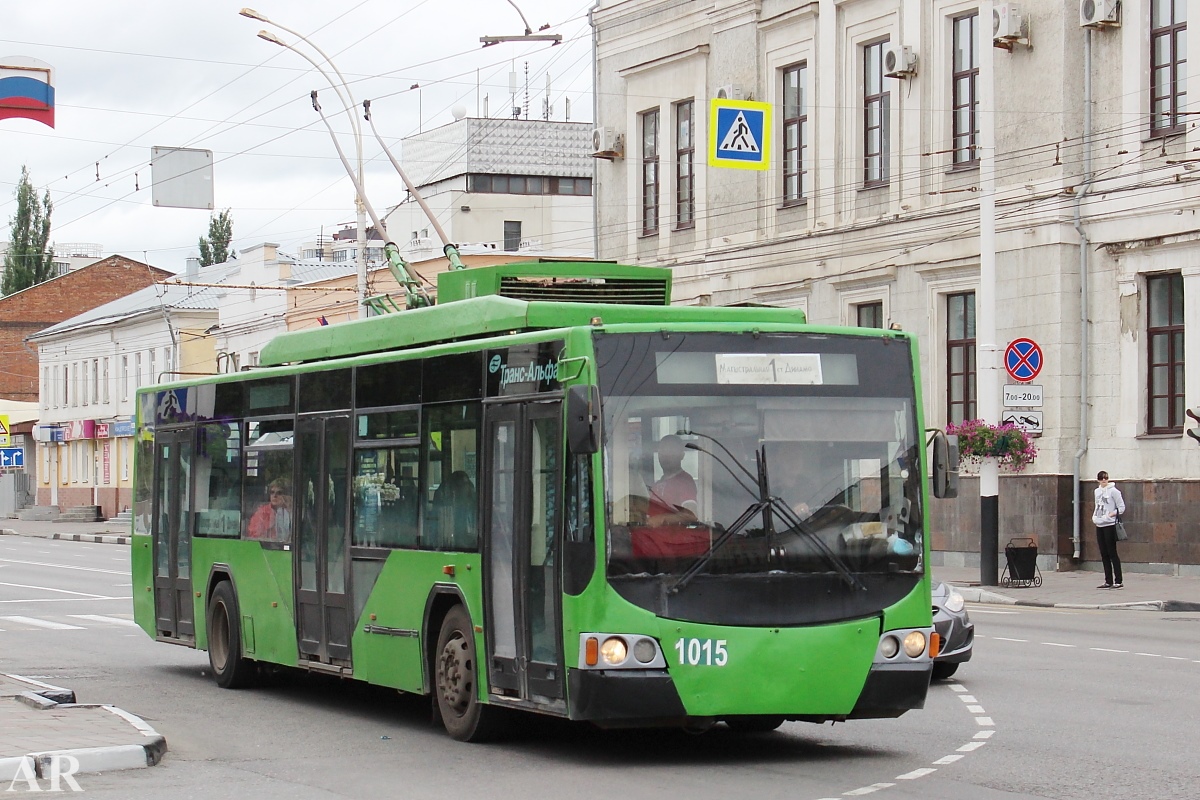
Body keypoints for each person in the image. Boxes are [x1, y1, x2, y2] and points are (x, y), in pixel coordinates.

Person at [646, 435, 698, 525]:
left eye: (671, 452)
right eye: (662, 452)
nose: (666, 457)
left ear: (681, 455)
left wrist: (662, 518)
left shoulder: (684, 481)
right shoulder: (656, 485)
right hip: (653, 537)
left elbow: (690, 515)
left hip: (673, 538)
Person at [1092, 471, 1126, 589]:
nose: (1104, 480)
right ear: (1098, 480)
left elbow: (1121, 507)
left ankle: (1118, 580)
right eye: (1101, 479)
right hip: (1099, 524)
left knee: (1112, 552)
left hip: (1110, 524)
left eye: (1105, 478)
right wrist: (1096, 517)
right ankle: (1108, 580)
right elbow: (1097, 506)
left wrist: (1112, 514)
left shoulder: (1114, 491)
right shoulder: (1097, 492)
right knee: (1104, 553)